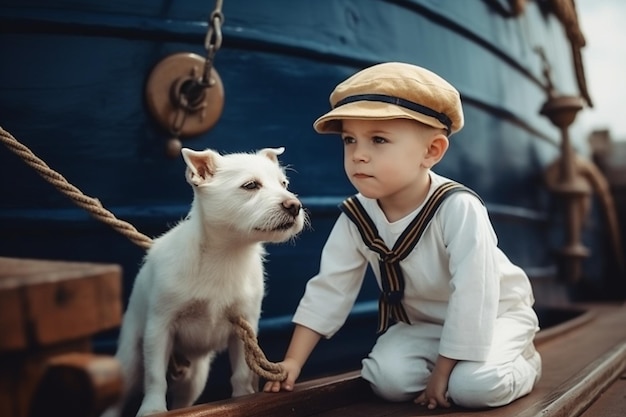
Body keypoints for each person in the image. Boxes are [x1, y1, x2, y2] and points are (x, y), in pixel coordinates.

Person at [263, 62, 541, 410]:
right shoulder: (358, 215)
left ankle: (524, 362)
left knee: (474, 388)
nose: (358, 154)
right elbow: (329, 289)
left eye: (378, 139)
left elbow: (475, 294)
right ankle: (455, 364)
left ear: (432, 152)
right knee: (387, 381)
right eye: (350, 140)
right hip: (424, 324)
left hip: (495, 316)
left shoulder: (457, 207)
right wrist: (292, 362)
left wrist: (442, 373)